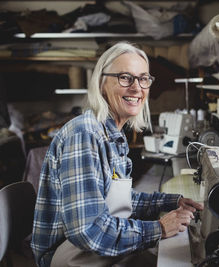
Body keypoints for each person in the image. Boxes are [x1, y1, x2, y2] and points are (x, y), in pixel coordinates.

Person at [31, 42, 203, 267]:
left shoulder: (111, 135)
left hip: (94, 249)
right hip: (71, 257)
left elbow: (119, 200)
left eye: (143, 79)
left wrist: (174, 201)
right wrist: (159, 228)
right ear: (102, 83)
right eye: (125, 77)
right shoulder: (85, 134)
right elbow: (88, 231)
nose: (136, 88)